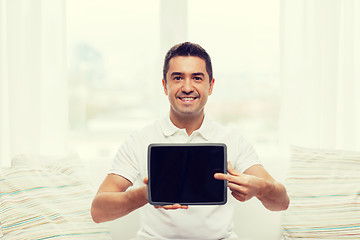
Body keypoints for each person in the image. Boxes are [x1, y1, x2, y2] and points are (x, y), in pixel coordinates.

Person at [91, 42, 289, 239]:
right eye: (177, 78)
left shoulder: (234, 140)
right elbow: (98, 212)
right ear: (164, 85)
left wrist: (260, 188)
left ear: (210, 86)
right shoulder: (139, 140)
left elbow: (282, 202)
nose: (187, 87)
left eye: (197, 78)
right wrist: (146, 194)